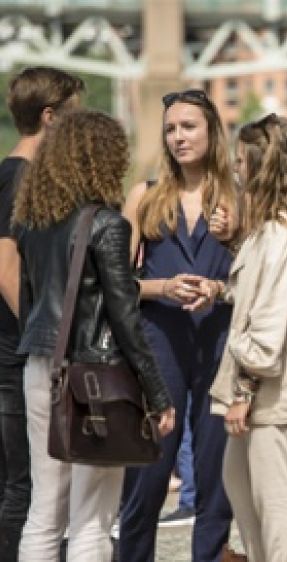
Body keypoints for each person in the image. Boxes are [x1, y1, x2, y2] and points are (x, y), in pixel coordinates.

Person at [13, 109, 176, 561]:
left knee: (44, 511)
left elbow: (29, 303)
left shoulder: (32, 222)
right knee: (92, 517)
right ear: (103, 159)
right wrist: (157, 393)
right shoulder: (106, 225)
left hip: (39, 366)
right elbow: (124, 316)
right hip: (94, 379)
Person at [202, 113, 287, 562]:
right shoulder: (285, 227)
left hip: (268, 389)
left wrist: (243, 392)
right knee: (239, 483)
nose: (236, 170)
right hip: (269, 383)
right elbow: (260, 297)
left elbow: (268, 328)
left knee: (275, 495)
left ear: (261, 168)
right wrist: (222, 284)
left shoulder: (281, 232)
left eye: (242, 161)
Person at [118, 89, 239, 562]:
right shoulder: (144, 197)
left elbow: (261, 280)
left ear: (212, 132)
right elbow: (117, 284)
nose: (178, 137)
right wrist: (163, 287)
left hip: (219, 346)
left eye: (188, 127)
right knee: (147, 474)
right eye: (171, 129)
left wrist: (236, 239)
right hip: (158, 346)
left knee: (215, 480)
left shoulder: (239, 198)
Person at [0, 66, 85, 557]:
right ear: (50, 118)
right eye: (73, 117)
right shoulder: (19, 179)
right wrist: (45, 341)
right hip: (16, 355)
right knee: (23, 487)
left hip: (17, 350)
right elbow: (7, 267)